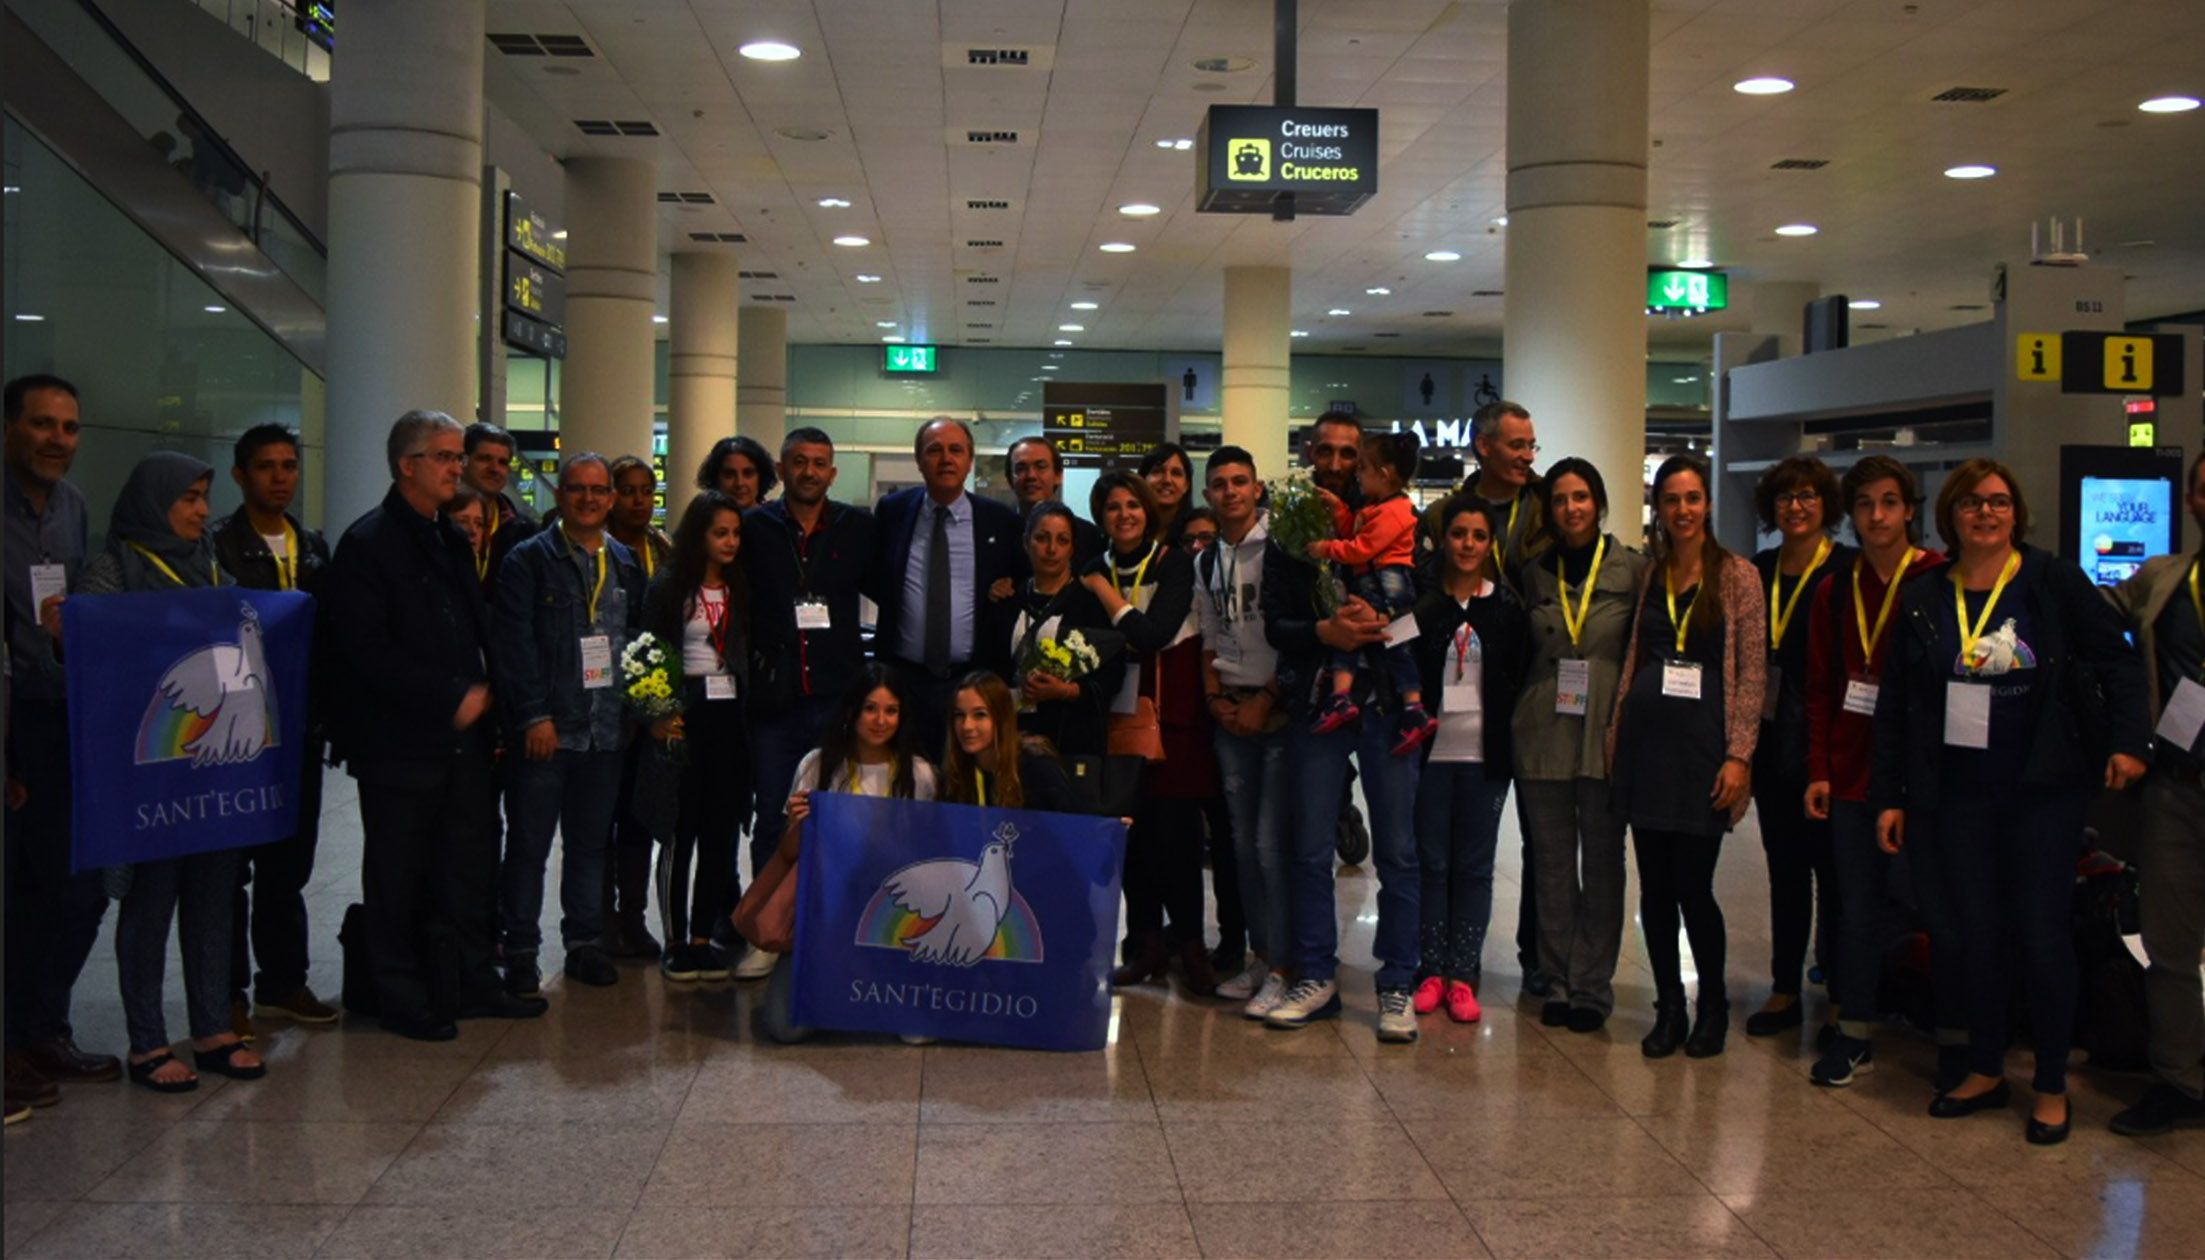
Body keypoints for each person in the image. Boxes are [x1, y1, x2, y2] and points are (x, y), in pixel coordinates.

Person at [1872, 458, 2148, 1145]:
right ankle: (1986, 1067)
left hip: (2041, 793)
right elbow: (1898, 704)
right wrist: (1891, 794)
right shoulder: (1925, 595)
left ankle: (2050, 1084)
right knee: (1973, 937)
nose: (1985, 513)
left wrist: (2127, 741)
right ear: (1950, 516)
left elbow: (2117, 659)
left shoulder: (2051, 581)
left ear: (2015, 513)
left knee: (2041, 936)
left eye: (1997, 502)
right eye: (1971, 503)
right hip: (1955, 795)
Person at [324, 411, 543, 1040]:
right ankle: (399, 992)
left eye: (457, 457)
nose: (458, 468)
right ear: (407, 465)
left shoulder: (448, 535)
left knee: (466, 866)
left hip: (463, 741)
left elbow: (473, 628)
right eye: (445, 457)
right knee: (398, 873)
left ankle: (472, 979)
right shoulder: (368, 544)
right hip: (400, 744)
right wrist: (451, 695)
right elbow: (366, 651)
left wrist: (491, 704)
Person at [67, 453, 262, 1092]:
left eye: (204, 496)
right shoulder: (113, 570)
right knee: (151, 902)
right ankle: (147, 1041)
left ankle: (212, 1028)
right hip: (146, 771)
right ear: (155, 501)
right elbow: (91, 663)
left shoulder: (211, 565)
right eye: (188, 498)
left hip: (210, 766)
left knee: (212, 898)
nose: (202, 510)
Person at [1264, 410, 1419, 1038]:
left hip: (1387, 707)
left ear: (1365, 460)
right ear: (1309, 451)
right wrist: (1325, 631)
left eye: (1348, 453)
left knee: (1398, 853)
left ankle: (1398, 984)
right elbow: (1276, 624)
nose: (1335, 462)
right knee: (1309, 850)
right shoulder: (1291, 525)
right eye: (1325, 450)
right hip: (1318, 705)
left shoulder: (1394, 514)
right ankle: (1314, 975)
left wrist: (1382, 626)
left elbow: (1422, 598)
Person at [1610, 453, 1765, 1060]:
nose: (1682, 510)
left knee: (1694, 887)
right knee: (1654, 889)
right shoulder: (1651, 574)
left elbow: (1751, 674)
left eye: (1692, 498)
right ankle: (1669, 1005)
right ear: (1658, 507)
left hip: (1703, 754)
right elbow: (1635, 658)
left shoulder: (1738, 576)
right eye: (1671, 499)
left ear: (1708, 504)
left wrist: (1739, 756)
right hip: (1646, 751)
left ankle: (1713, 1006)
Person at [1803, 456, 1951, 1087]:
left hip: (1929, 777)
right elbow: (1820, 687)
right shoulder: (1836, 590)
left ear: (1910, 509)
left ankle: (1957, 1038)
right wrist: (1819, 768)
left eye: (1890, 502)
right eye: (1865, 504)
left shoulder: (1940, 580)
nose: (1878, 516)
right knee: (1856, 910)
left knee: (1941, 908)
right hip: (1852, 775)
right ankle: (1855, 1033)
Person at [3, 374, 121, 1102]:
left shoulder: (73, 506)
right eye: (43, 424)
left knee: (76, 889)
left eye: (70, 427)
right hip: (9, 719)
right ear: (10, 428)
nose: (58, 439)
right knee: (17, 893)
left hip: (61, 716)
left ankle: (39, 1030)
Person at [494, 452, 646, 996]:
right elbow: (514, 647)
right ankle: (520, 949)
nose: (588, 499)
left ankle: (584, 943)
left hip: (606, 731)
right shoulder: (529, 560)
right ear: (560, 495)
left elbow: (637, 643)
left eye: (598, 490)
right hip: (549, 731)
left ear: (611, 498)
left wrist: (636, 711)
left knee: (589, 846)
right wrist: (533, 715)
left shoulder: (627, 562)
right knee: (529, 846)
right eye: (577, 489)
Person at [1514, 458, 1648, 1033]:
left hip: (1606, 734)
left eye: (1582, 497)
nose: (1571, 508)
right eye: (1561, 499)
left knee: (1602, 862)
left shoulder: (1633, 570)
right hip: (1542, 730)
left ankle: (1592, 986)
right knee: (1550, 864)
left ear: (1599, 502)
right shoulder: (1533, 574)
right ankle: (1557, 978)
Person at [211, 424, 336, 1036]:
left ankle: (282, 984)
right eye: (266, 466)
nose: (281, 477)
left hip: (299, 729)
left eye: (289, 465)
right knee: (232, 869)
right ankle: (226, 993)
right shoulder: (219, 547)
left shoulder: (311, 547)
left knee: (289, 864)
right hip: (238, 731)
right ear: (241, 475)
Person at [740, 426, 876, 981]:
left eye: (820, 463)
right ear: (781, 469)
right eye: (799, 461)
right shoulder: (754, 528)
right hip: (774, 701)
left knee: (838, 817)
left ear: (833, 472)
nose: (809, 472)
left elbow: (893, 591)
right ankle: (765, 933)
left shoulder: (857, 528)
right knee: (774, 817)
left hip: (836, 697)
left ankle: (829, 929)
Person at [1080, 471, 1215, 992]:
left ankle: (1191, 945)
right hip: (1113, 722)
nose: (1124, 515)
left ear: (1147, 510)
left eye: (1132, 505)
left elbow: (1154, 634)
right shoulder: (1096, 564)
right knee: (1132, 838)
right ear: (1101, 516)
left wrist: (1103, 594)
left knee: (1178, 839)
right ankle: (1145, 945)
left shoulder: (1171, 563)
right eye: (1113, 507)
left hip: (1171, 721)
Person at [2107, 451, 2205, 1136]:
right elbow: (2091, 613)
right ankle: (2180, 1080)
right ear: (2191, 501)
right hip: (2177, 789)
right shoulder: (2164, 576)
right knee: (2169, 946)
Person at [765, 662, 939, 1043]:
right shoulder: (817, 765)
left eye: (891, 710)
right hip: (825, 916)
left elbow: (927, 858)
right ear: (852, 712)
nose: (880, 720)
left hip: (892, 918)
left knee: (915, 1033)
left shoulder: (920, 774)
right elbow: (789, 854)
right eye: (870, 709)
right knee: (784, 1028)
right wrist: (796, 825)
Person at [1409, 495, 1530, 1026]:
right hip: (1429, 756)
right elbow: (1398, 657)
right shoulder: (1423, 603)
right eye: (1459, 534)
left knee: (1475, 868)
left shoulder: (1506, 608)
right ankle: (1431, 970)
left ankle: (1463, 974)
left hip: (1485, 759)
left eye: (1479, 536)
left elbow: (1520, 674)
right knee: (1432, 864)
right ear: (1444, 539)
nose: (1468, 544)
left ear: (1490, 545)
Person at [1746, 456, 1851, 1042]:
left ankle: (1838, 995)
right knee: (1784, 871)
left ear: (1826, 504)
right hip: (1770, 743)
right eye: (1786, 497)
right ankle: (1784, 986)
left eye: (1808, 495)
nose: (1796, 506)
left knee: (1833, 874)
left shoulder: (1847, 569)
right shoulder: (1758, 570)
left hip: (1827, 741)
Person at [1197, 447, 1291, 1016]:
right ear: (1207, 494)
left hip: (1277, 712)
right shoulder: (1207, 559)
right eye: (1219, 483)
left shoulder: (1282, 547)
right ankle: (1261, 955)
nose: (1230, 491)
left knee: (1270, 845)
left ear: (1257, 489)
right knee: (1241, 847)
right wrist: (1215, 698)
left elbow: (1300, 636)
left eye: (1240, 481)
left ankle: (1284, 966)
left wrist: (1266, 699)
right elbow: (1210, 636)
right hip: (1230, 714)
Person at [643, 490, 751, 982]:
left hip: (730, 716)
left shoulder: (741, 587)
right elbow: (647, 651)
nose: (730, 542)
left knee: (720, 831)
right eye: (720, 533)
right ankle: (675, 939)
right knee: (679, 829)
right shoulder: (670, 587)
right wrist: (657, 713)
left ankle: (705, 937)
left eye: (735, 533)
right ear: (698, 535)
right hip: (685, 711)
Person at [868, 417, 1025, 754]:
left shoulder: (1001, 521)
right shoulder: (893, 512)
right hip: (903, 680)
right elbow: (874, 576)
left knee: (963, 775)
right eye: (934, 450)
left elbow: (1021, 585)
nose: (946, 459)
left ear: (969, 460)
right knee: (903, 772)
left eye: (956, 450)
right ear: (918, 460)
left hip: (972, 681)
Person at [1307, 431, 1435, 754]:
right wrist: (1339, 509)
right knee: (1370, 636)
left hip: (1387, 581)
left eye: (1362, 467)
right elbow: (1356, 531)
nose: (1356, 475)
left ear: (1384, 473)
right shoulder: (1380, 507)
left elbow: (1360, 548)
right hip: (1380, 580)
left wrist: (1325, 548)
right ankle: (1387, 704)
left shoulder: (1395, 512)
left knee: (1391, 640)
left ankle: (1406, 706)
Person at [599, 454, 675, 961]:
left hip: (652, 702)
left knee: (639, 815)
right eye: (627, 491)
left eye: (647, 491)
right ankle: (600, 918)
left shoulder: (664, 549)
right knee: (599, 818)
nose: (639, 501)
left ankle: (632, 916)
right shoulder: (596, 550)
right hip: (604, 701)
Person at [1008, 502, 1124, 763]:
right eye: (1042, 538)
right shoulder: (1011, 599)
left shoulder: (1090, 603)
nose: (1051, 549)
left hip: (1073, 739)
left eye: (1062, 540)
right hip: (1014, 737)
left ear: (1072, 548)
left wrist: (1066, 690)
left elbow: (1114, 676)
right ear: (1026, 543)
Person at [938, 671, 1082, 813]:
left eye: (980, 715)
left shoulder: (1037, 769)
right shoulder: (955, 772)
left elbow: (1071, 824)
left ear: (1003, 718)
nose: (966, 726)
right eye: (959, 715)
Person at [1006, 436, 1104, 566]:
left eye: (1041, 467)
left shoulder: (1088, 537)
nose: (1031, 475)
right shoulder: (998, 533)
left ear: (1058, 476)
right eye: (1020, 468)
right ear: (1009, 479)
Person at [462, 422, 534, 585]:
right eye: (484, 459)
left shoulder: (524, 532)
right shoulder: (437, 519)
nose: (494, 469)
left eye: (502, 462)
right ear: (463, 462)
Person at [1139, 442, 1196, 547]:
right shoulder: (1128, 529)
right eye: (1157, 471)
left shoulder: (1195, 533)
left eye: (1176, 473)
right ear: (1142, 480)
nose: (1167, 480)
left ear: (1186, 485)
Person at [699, 434, 777, 509]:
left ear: (761, 478)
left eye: (748, 474)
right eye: (729, 475)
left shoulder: (776, 517)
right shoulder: (702, 517)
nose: (739, 483)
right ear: (715, 478)